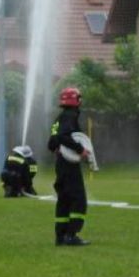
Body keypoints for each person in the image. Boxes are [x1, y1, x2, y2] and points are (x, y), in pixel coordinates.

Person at [47, 87, 89, 246]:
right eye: (79, 98)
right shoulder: (70, 116)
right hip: (69, 164)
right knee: (79, 199)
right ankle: (71, 235)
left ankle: (60, 236)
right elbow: (64, 136)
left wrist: (57, 148)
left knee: (63, 200)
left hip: (60, 164)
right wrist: (80, 149)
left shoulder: (58, 119)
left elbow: (52, 142)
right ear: (76, 100)